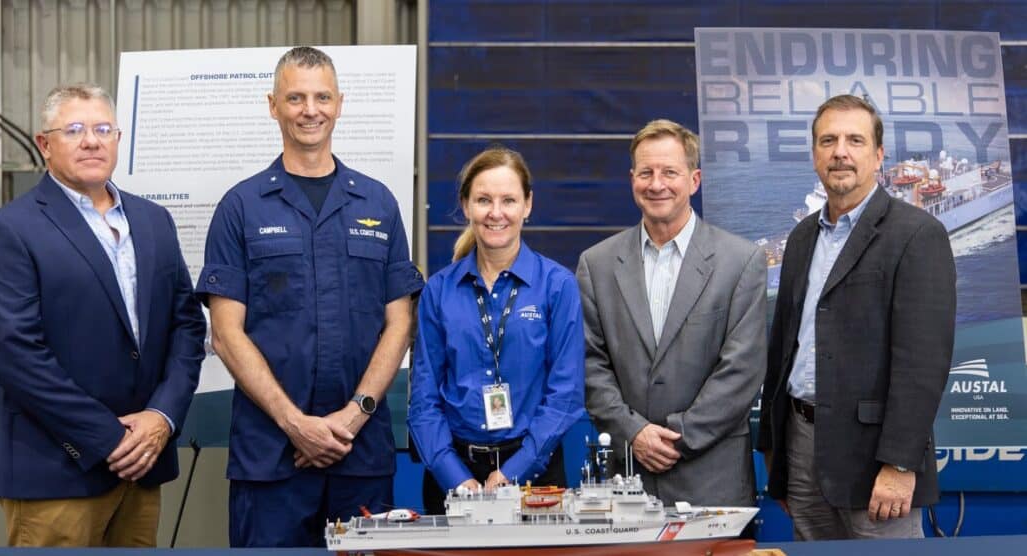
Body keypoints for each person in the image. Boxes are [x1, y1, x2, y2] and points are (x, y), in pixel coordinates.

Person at [196, 46, 423, 547]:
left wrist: (352, 416)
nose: (310, 110)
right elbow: (226, 334)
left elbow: (400, 323)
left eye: (322, 97)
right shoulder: (241, 207)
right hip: (271, 456)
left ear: (339, 103)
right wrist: (294, 423)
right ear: (272, 105)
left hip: (359, 454)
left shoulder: (378, 203)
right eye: (295, 97)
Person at [0, 83, 206, 547]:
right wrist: (108, 438)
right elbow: (14, 353)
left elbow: (186, 324)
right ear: (45, 144)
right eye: (74, 129)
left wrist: (161, 417)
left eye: (102, 129)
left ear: (118, 138)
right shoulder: (11, 230)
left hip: (144, 462)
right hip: (56, 468)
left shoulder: (153, 221)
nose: (91, 141)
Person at [758, 94, 956, 540]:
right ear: (814, 154)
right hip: (801, 450)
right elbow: (783, 346)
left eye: (855, 140)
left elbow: (922, 364)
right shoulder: (801, 239)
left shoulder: (918, 234)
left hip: (875, 460)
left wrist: (900, 463)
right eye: (828, 141)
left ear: (879, 154)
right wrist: (774, 447)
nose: (840, 152)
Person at [577, 119, 766, 508]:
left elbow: (742, 369)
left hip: (713, 482)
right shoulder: (596, 264)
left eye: (669, 172)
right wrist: (635, 433)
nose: (656, 184)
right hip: (628, 479)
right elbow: (589, 365)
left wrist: (677, 437)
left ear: (694, 180)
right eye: (646, 173)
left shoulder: (741, 261)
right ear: (632, 180)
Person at [409, 146, 585, 515]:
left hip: (536, 473)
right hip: (454, 477)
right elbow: (424, 400)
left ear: (527, 205)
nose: (496, 213)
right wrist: (455, 477)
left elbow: (565, 394)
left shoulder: (557, 286)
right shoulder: (438, 291)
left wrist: (514, 472)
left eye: (508, 200)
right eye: (483, 200)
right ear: (466, 206)